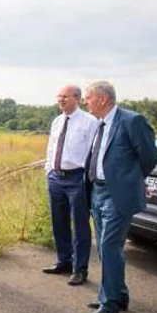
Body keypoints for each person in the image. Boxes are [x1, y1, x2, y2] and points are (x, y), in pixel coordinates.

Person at [83, 81, 157, 313]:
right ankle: (118, 294)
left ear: (103, 98)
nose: (86, 102)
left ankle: (110, 305)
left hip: (118, 196)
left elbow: (149, 157)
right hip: (97, 192)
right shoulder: (99, 124)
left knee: (109, 246)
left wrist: (132, 181)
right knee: (107, 249)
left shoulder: (132, 121)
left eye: (88, 98)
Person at [42, 85, 98, 286]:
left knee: (80, 225)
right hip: (56, 177)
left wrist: (89, 178)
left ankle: (80, 269)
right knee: (59, 222)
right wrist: (49, 170)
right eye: (59, 96)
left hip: (77, 178)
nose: (60, 100)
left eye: (65, 97)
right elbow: (51, 148)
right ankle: (64, 261)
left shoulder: (89, 122)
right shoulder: (57, 121)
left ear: (77, 98)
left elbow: (95, 152)